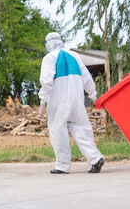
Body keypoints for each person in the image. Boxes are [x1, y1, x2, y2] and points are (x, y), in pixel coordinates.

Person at [38, 32, 104, 174]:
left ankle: (62, 165)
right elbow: (86, 77)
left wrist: (43, 100)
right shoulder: (74, 56)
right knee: (82, 130)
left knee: (58, 132)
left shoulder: (49, 58)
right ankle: (95, 158)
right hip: (77, 101)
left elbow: (47, 82)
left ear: (48, 44)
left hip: (58, 102)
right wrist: (93, 95)